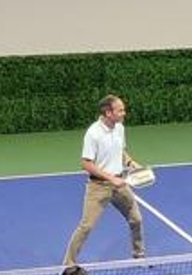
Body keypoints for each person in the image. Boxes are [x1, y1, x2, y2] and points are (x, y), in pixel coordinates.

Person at [62, 95, 145, 265]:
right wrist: (110, 178)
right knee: (86, 226)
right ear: (108, 112)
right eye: (120, 110)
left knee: (136, 219)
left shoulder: (119, 128)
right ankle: (68, 264)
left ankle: (138, 254)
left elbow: (120, 151)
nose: (124, 113)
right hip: (98, 187)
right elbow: (86, 163)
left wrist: (130, 162)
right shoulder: (93, 134)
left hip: (119, 184)